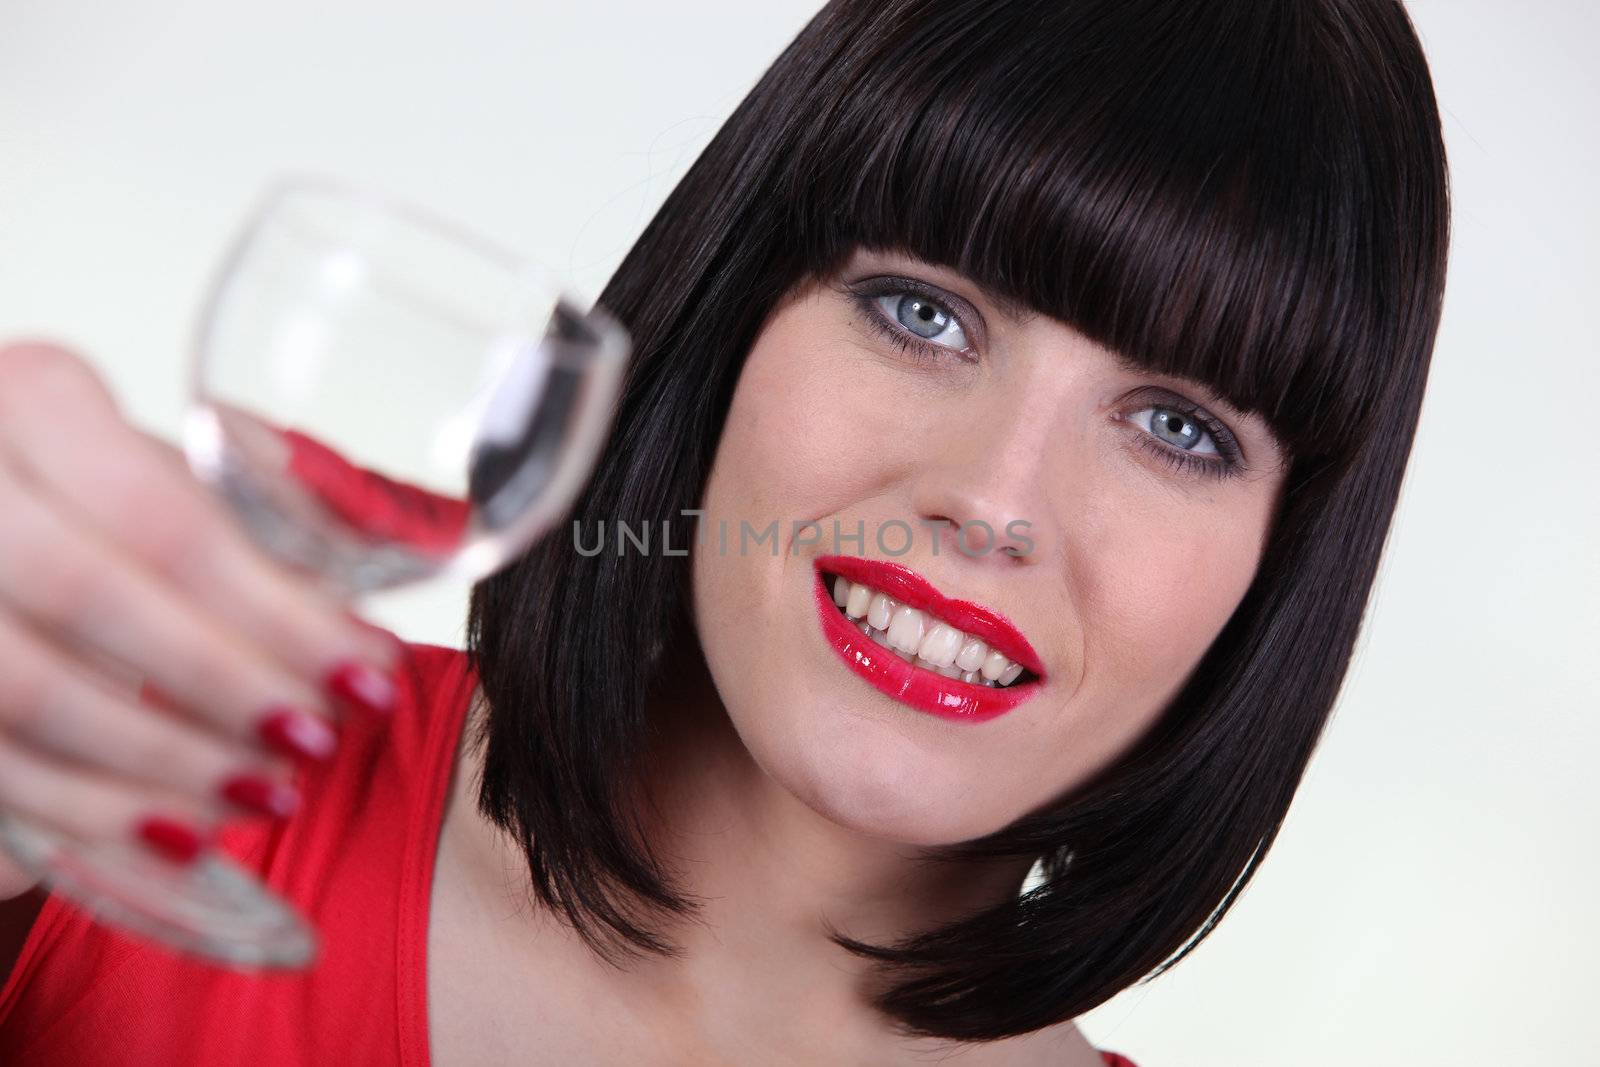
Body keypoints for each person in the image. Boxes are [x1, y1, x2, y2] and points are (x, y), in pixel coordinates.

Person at [0, 0, 1450, 1062]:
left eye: (1180, 428)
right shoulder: (120, 782)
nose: (995, 501)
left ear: (1281, 567)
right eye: (921, 313)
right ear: (726, 327)